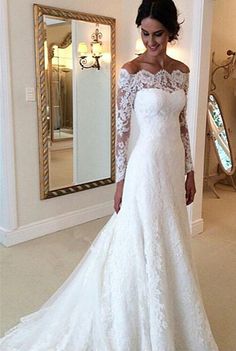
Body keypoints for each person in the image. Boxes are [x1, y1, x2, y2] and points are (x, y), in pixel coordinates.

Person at [0, 0, 219, 350]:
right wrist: (121, 181)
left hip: (173, 162)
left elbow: (181, 127)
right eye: (145, 33)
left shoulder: (182, 72)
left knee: (171, 236)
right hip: (146, 167)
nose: (151, 41)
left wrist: (191, 171)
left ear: (171, 32)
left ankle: (173, 306)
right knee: (141, 237)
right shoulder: (131, 71)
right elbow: (120, 133)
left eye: (158, 34)